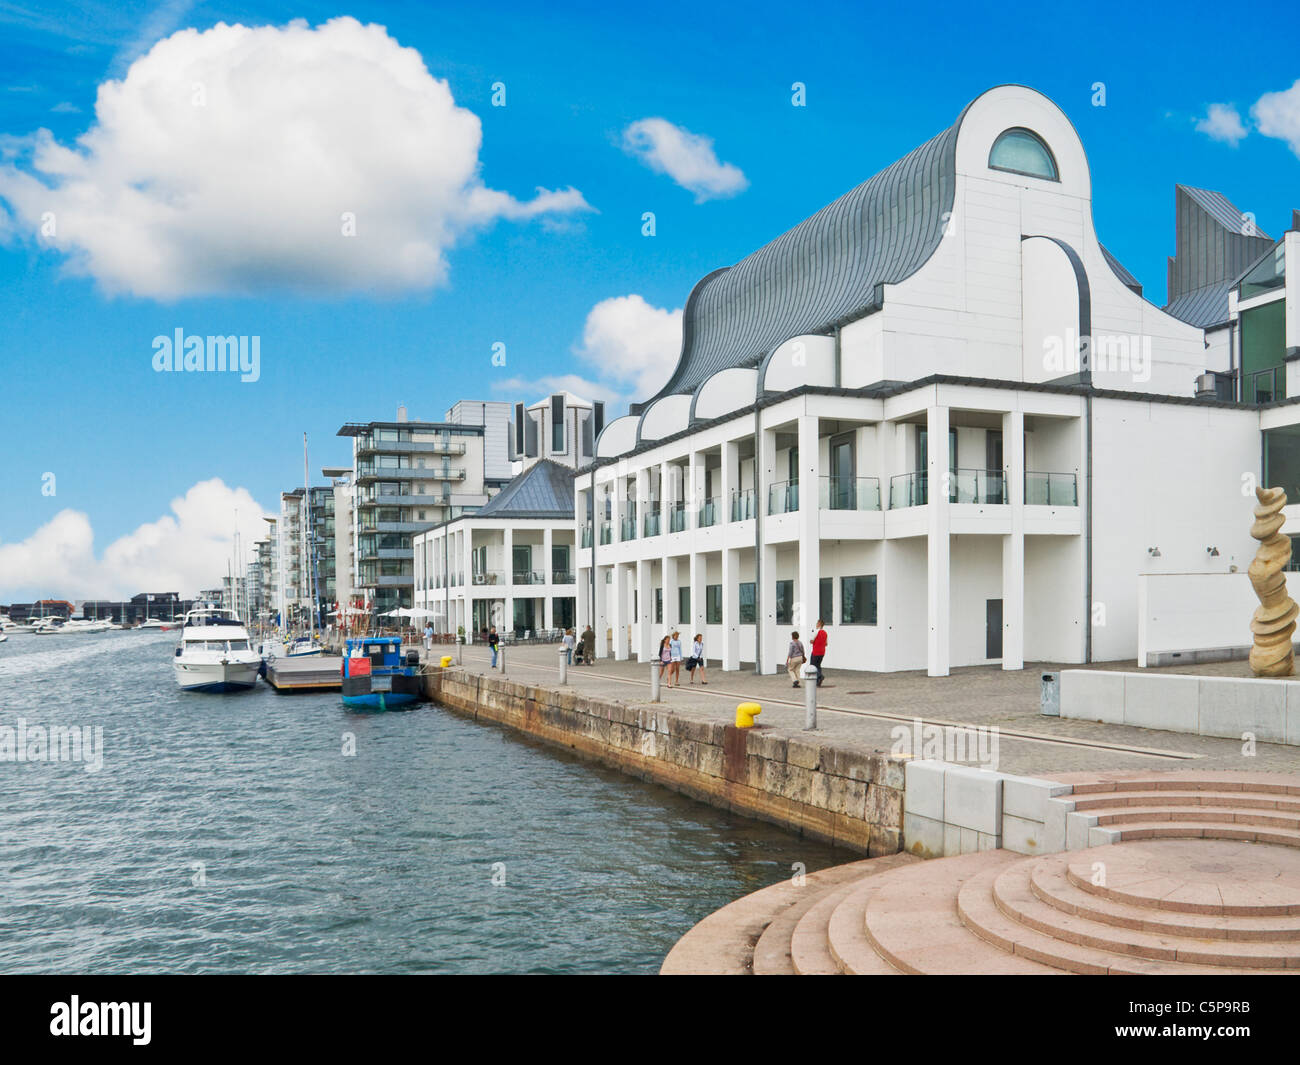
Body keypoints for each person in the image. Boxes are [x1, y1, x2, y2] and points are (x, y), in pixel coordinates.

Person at [810, 620, 828, 686]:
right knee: (818, 665)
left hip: (816, 651)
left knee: (813, 665)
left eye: (817, 623)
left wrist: (814, 641)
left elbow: (811, 640)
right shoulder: (825, 633)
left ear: (819, 624)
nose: (816, 624)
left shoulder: (816, 631)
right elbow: (826, 643)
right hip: (822, 652)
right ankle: (818, 680)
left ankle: (820, 676)